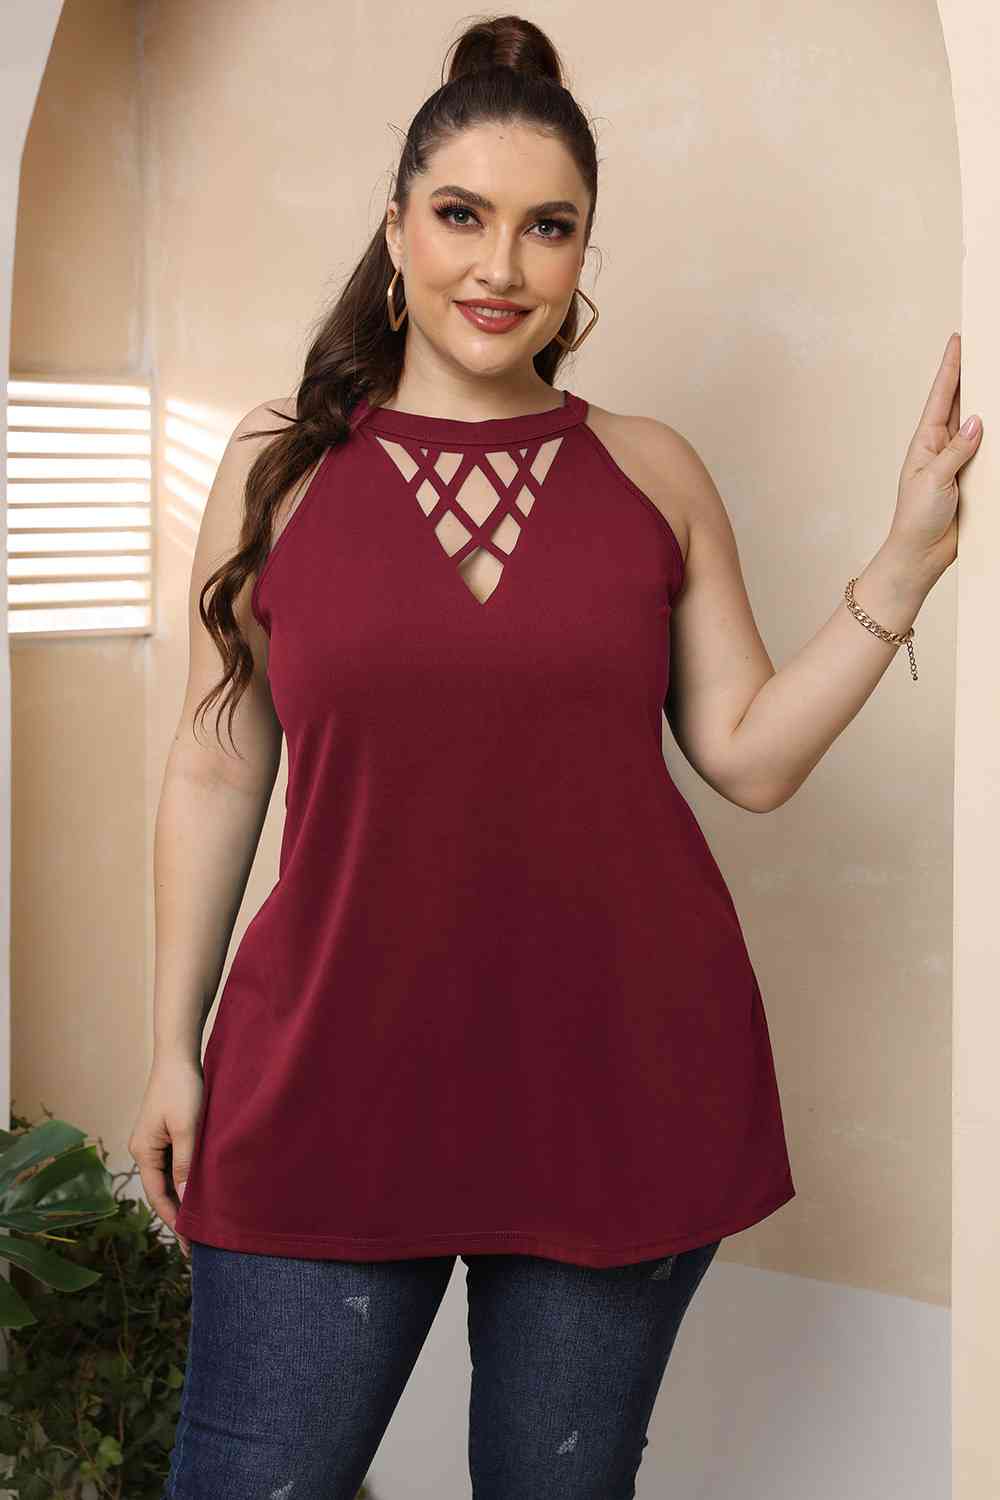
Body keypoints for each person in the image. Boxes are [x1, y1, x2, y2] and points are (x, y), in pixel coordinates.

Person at [129, 14, 980, 1500]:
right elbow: (218, 765)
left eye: (549, 227)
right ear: (396, 226)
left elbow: (748, 755)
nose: (501, 267)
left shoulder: (651, 470)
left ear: (585, 251)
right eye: (462, 215)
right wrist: (169, 1044)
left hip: (619, 1083)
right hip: (324, 1074)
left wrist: (903, 565)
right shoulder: (279, 466)